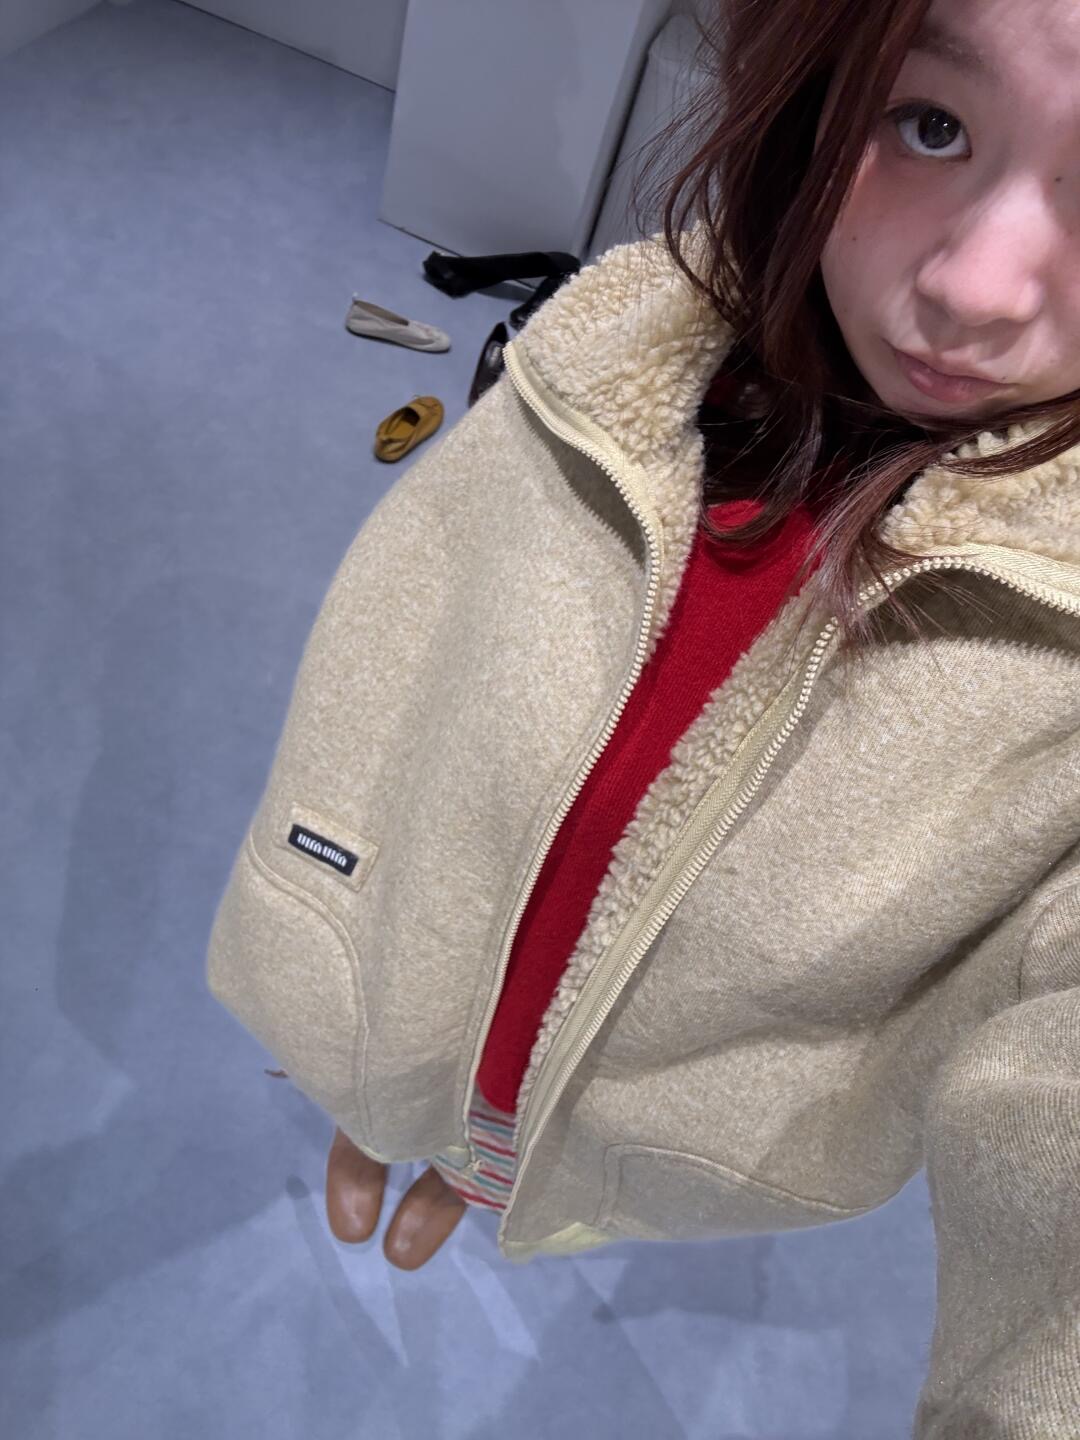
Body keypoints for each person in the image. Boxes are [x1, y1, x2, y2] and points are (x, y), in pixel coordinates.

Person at [207, 0, 1080, 1430]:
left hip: (634, 1143)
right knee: (386, 1092)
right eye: (931, 124)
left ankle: (479, 1162)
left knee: (500, 1159)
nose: (977, 286)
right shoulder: (608, 359)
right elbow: (396, 680)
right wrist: (329, 973)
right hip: (409, 986)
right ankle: (400, 1116)